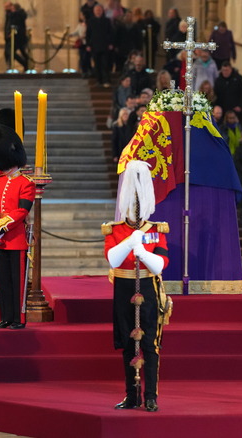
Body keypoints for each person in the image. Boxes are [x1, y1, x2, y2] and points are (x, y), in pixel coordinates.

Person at [103, 160, 169, 412]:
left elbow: (160, 265)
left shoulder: (156, 230)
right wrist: (130, 242)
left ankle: (150, 395)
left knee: (150, 343)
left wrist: (142, 249)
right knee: (127, 343)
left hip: (149, 290)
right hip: (123, 289)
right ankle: (132, 395)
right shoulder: (115, 229)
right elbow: (112, 259)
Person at [0, 124, 34, 330]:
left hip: (16, 240)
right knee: (3, 282)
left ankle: (18, 319)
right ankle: (6, 317)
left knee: (17, 282)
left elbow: (21, 212)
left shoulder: (26, 183)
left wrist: (2, 226)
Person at [86, 5, 114, 88]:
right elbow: (88, 34)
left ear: (102, 11)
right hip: (95, 46)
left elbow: (110, 33)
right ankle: (99, 81)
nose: (98, 11)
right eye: (96, 10)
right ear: (94, 11)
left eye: (99, 10)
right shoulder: (91, 21)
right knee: (97, 64)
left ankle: (106, 80)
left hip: (105, 46)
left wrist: (111, 43)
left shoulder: (107, 21)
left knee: (105, 64)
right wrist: (88, 45)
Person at [214, 61, 242, 125]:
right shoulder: (218, 80)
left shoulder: (239, 78)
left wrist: (240, 105)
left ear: (231, 69)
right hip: (223, 109)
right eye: (223, 70)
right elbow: (216, 94)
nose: (225, 72)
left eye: (227, 70)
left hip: (236, 108)